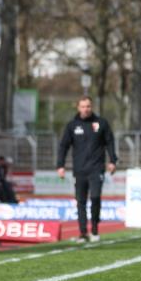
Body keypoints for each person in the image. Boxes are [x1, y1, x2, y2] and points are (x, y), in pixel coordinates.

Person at [56, 96, 117, 243]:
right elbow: (64, 146)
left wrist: (113, 161)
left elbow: (109, 142)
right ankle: (83, 233)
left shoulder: (101, 123)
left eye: (88, 106)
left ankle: (95, 229)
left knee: (95, 198)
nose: (86, 109)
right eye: (83, 106)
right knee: (80, 201)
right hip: (80, 170)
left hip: (96, 169)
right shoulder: (72, 125)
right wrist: (60, 165)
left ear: (92, 107)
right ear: (78, 107)